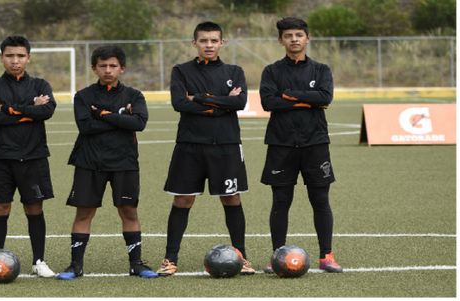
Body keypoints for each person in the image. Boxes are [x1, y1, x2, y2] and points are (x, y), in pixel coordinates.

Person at [156, 21, 255, 276]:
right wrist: (223, 103)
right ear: (194, 43)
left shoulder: (235, 70)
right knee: (183, 199)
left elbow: (241, 103)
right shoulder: (181, 70)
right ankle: (170, 259)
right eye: (203, 41)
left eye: (214, 40)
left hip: (226, 145)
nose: (209, 45)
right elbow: (179, 104)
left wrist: (198, 98)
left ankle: (242, 257)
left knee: (231, 198)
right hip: (190, 145)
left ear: (222, 43)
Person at [56, 45, 158, 280]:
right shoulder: (83, 96)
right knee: (84, 213)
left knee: (129, 211)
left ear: (122, 68)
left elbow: (139, 124)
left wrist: (102, 115)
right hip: (90, 161)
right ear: (94, 68)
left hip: (124, 162)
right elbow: (86, 127)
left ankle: (136, 264)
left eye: (113, 66)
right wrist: (123, 119)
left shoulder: (134, 95)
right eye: (103, 66)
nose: (108, 70)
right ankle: (75, 265)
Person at [259, 17, 342, 273]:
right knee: (281, 201)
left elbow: (325, 97)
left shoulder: (321, 70)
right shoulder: (271, 71)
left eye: (298, 35)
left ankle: (326, 255)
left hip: (315, 144)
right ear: (281, 40)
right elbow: (268, 102)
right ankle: (277, 256)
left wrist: (288, 94)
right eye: (288, 35)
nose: (294, 39)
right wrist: (309, 100)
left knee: (320, 200)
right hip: (281, 144)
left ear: (307, 38)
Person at [0, 36, 57, 278]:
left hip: (34, 156)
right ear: (2, 57)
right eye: (10, 56)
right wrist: (30, 108)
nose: (15, 61)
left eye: (20, 56)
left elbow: (47, 110)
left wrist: (10, 109)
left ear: (28, 57)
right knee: (0, 207)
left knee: (34, 207)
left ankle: (39, 261)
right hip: (0, 158)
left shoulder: (41, 84)